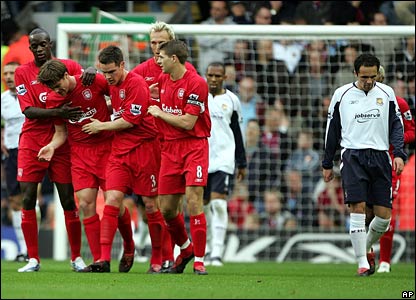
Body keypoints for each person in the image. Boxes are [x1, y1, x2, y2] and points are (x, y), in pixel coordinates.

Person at [13, 27, 96, 273]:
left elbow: (84, 82)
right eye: (34, 46)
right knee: (28, 198)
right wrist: (58, 113)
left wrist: (92, 70)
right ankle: (33, 259)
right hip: (32, 140)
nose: (39, 49)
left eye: (43, 44)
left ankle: (76, 257)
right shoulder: (22, 72)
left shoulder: (68, 65)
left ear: (50, 44)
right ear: (30, 48)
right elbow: (27, 111)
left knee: (68, 199)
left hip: (63, 141)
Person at [322, 53, 407, 277]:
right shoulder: (342, 94)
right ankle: (362, 262)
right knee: (357, 208)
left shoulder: (387, 92)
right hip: (353, 156)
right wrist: (327, 162)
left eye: (373, 76)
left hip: (380, 156)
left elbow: (397, 126)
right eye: (364, 77)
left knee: (383, 217)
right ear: (355, 74)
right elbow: (332, 129)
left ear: (378, 72)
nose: (369, 81)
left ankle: (365, 246)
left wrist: (398, 154)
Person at [81, 45, 164, 274]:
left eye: (112, 72)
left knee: (149, 204)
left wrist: (101, 126)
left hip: (145, 148)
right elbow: (86, 81)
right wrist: (89, 70)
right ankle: (105, 259)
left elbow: (129, 121)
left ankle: (157, 259)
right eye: (104, 72)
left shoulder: (136, 83)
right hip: (119, 151)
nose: (108, 77)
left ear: (122, 65)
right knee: (112, 200)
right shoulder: (110, 82)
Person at [130, 21, 197, 271]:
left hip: (175, 145)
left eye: (161, 43)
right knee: (152, 205)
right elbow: (119, 89)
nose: (156, 48)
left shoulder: (184, 71)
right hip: (148, 144)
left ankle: (174, 256)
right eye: (153, 43)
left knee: (171, 206)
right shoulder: (140, 71)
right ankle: (165, 255)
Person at [35, 59, 114, 264]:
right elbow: (61, 133)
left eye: (57, 85)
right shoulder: (54, 100)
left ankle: (129, 248)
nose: (56, 90)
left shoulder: (92, 81)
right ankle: (98, 260)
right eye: (51, 88)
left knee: (115, 203)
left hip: (107, 149)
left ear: (65, 76)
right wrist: (52, 146)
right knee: (86, 204)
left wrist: (105, 121)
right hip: (80, 154)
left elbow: (118, 98)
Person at [147, 39, 211, 275]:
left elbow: (187, 122)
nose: (157, 60)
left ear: (174, 59)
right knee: (167, 209)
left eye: (161, 57)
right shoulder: (163, 80)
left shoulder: (197, 83)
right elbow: (149, 93)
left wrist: (159, 113)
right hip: (170, 149)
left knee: (194, 199)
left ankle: (200, 261)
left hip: (194, 147)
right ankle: (185, 249)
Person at [366, 66, 415, 273]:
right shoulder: (360, 103)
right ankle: (367, 252)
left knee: (386, 210)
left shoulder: (399, 102)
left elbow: (412, 132)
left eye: (375, 77)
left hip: (390, 164)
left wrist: (393, 141)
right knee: (365, 211)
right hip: (365, 161)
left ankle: (385, 260)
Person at [202, 62, 247, 267]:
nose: (213, 79)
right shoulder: (199, 96)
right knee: (202, 207)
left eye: (217, 76)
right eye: (210, 75)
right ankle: (208, 246)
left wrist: (241, 162)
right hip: (201, 158)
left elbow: (237, 132)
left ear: (224, 77)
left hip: (224, 160)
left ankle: (217, 252)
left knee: (218, 204)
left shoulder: (232, 100)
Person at [1, 61, 27, 261]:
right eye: (5, 73)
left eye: (12, 73)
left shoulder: (32, 95)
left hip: (32, 152)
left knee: (30, 199)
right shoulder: (3, 99)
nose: (9, 77)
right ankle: (24, 250)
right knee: (15, 201)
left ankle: (31, 249)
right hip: (12, 153)